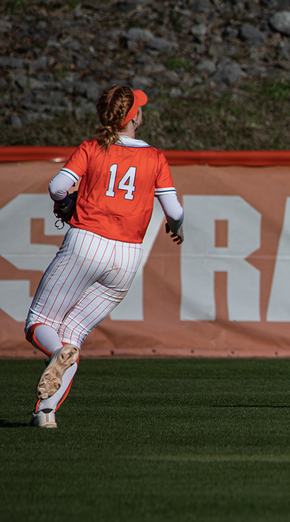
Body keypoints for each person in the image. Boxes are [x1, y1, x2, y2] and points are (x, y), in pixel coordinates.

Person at [26, 85, 185, 428]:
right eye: (139, 108)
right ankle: (45, 413)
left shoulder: (92, 148)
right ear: (133, 118)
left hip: (86, 242)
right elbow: (174, 210)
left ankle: (56, 354)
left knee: (39, 322)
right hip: (127, 256)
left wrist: (73, 194)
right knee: (73, 334)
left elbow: (56, 188)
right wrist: (177, 227)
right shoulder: (155, 157)